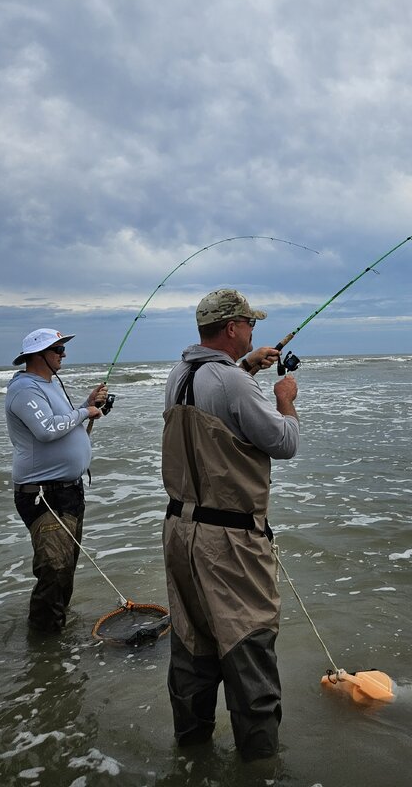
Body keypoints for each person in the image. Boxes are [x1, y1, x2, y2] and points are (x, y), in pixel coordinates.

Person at [162, 288, 299, 760]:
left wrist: (247, 366)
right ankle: (258, 766)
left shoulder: (180, 374)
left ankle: (191, 754)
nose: (254, 331)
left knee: (192, 645)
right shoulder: (234, 383)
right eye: (250, 324)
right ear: (232, 328)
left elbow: (217, 395)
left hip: (180, 531)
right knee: (248, 645)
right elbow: (284, 443)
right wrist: (285, 400)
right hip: (229, 541)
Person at [5, 328, 108, 633]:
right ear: (38, 356)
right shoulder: (24, 389)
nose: (64, 355)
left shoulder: (49, 385)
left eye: (63, 349)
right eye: (58, 350)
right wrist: (84, 411)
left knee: (66, 569)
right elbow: (47, 429)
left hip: (68, 492)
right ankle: (44, 642)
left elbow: (65, 422)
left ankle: (58, 638)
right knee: (54, 570)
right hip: (43, 495)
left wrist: (87, 405)